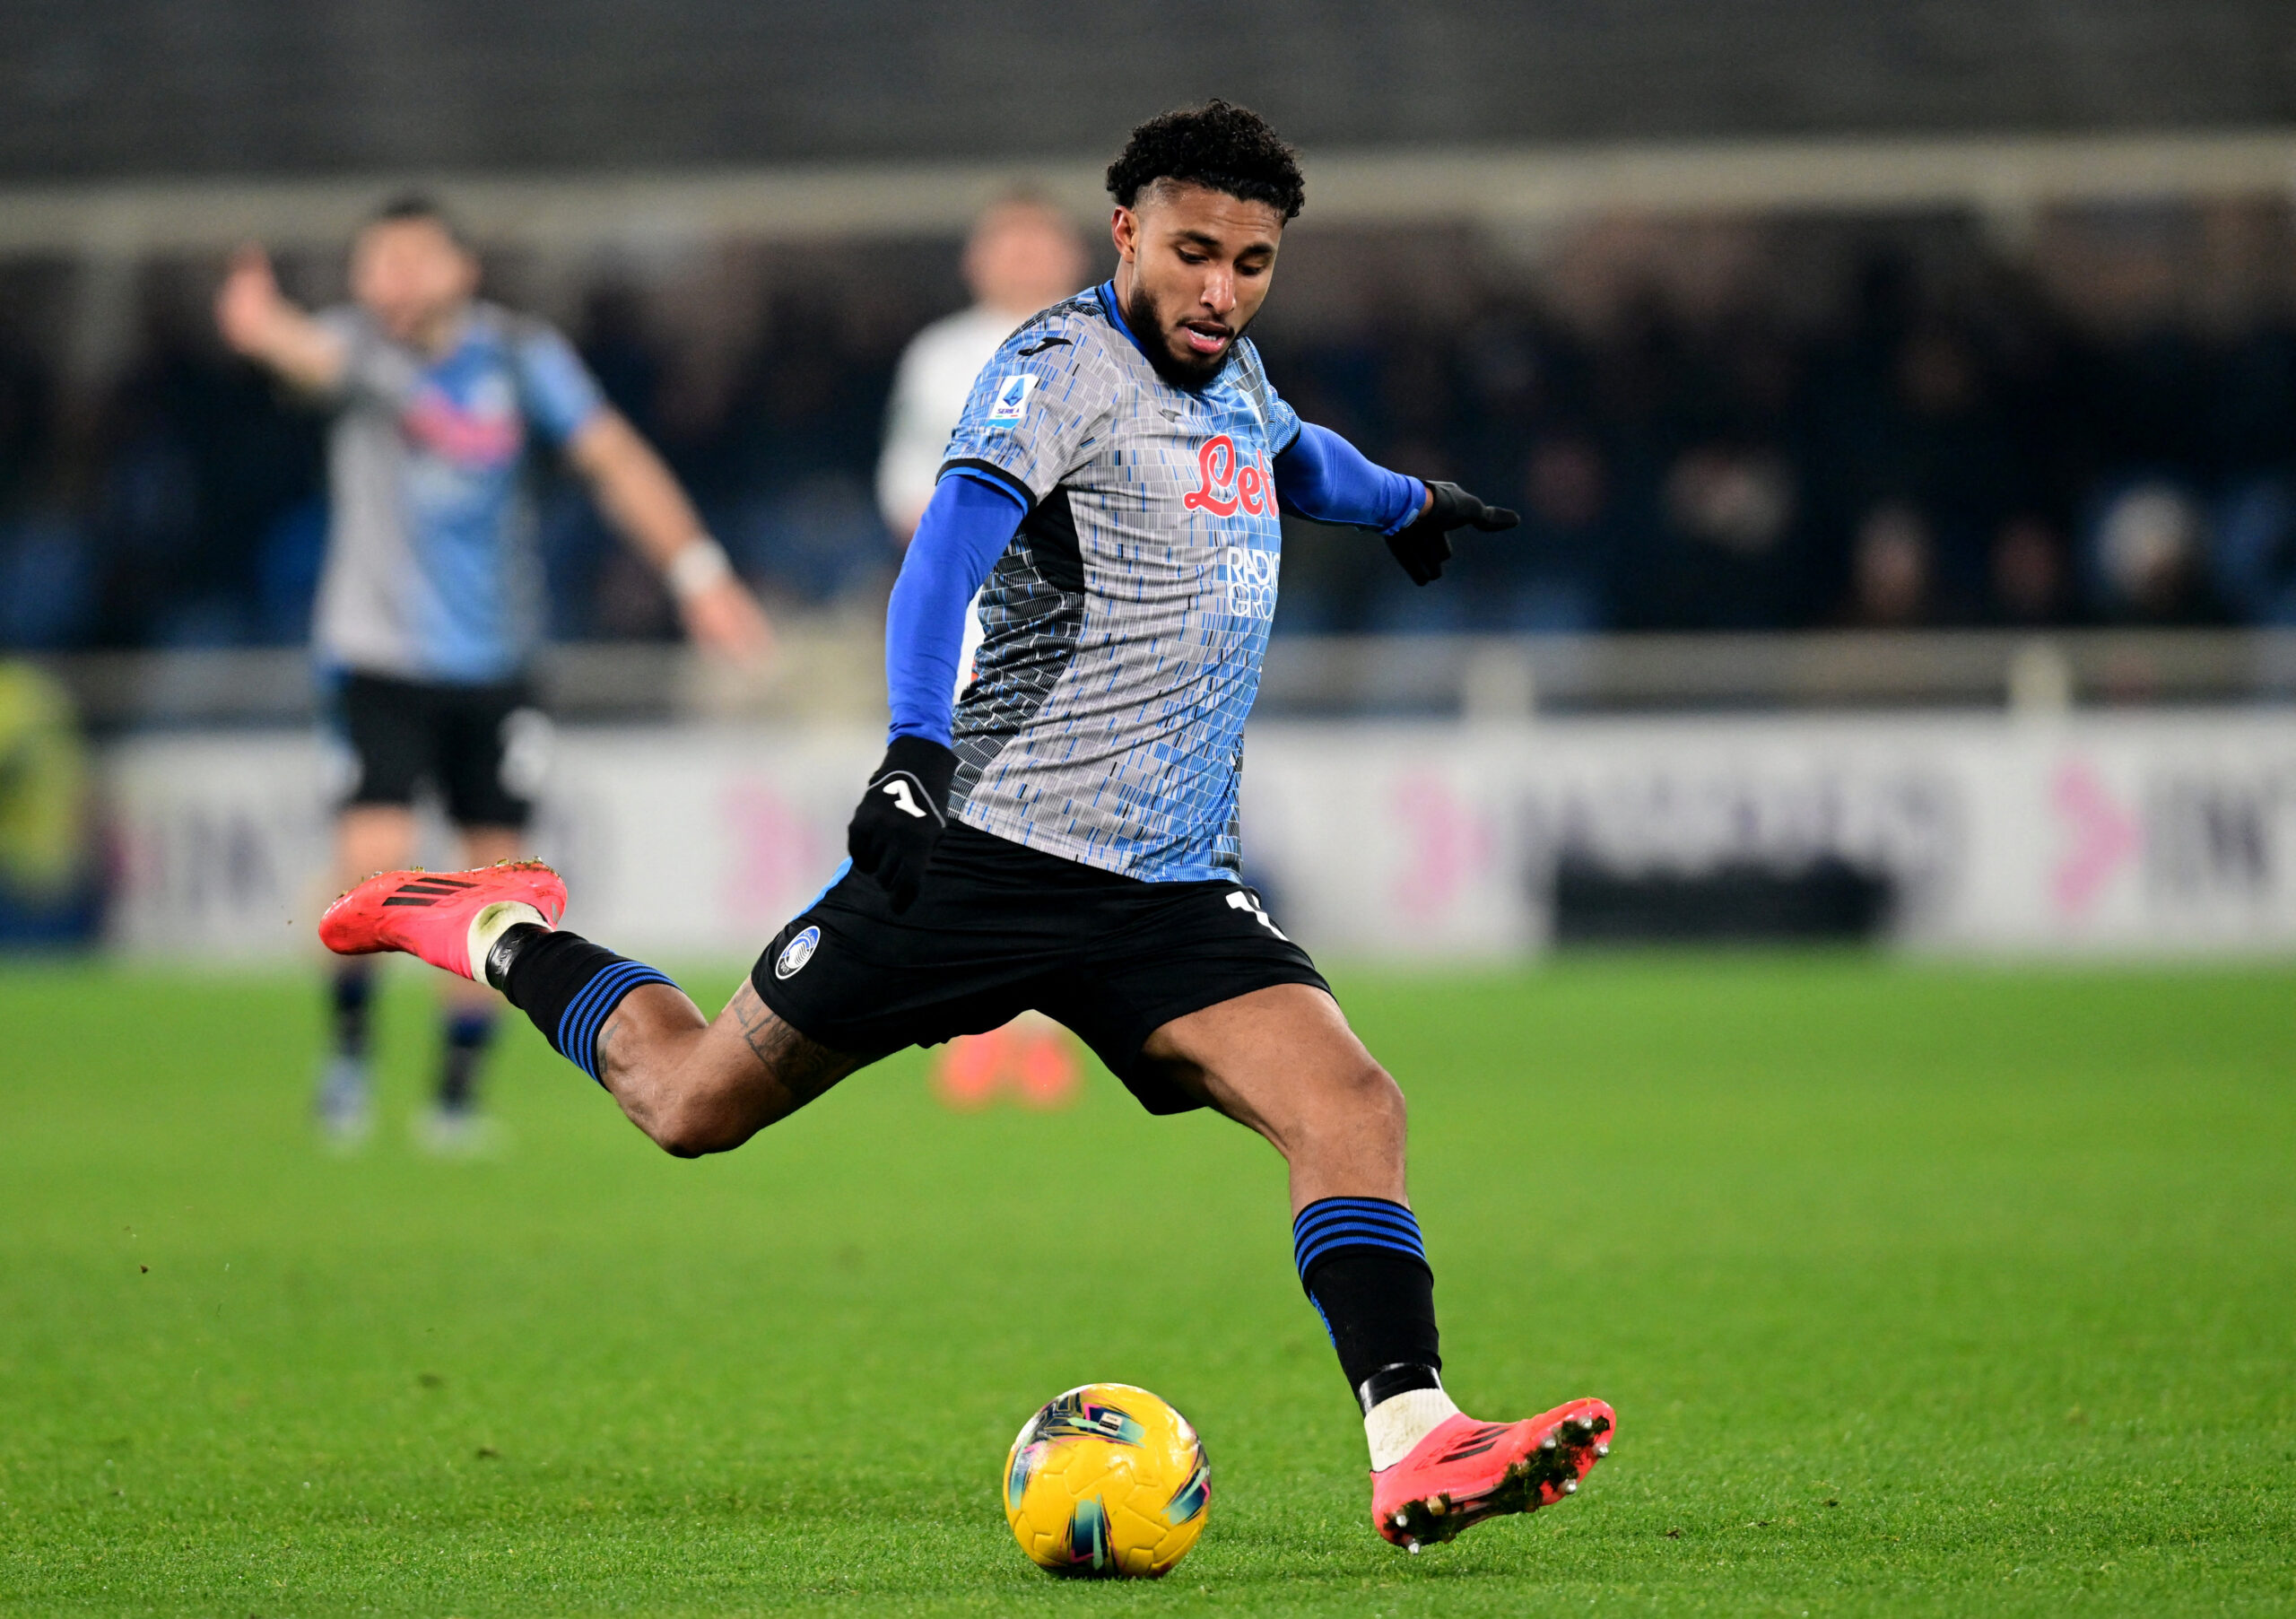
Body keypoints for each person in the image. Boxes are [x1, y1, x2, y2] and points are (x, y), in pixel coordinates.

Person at [318, 106, 1611, 1547]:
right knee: (686, 1103)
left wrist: (1405, 501)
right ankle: (492, 924)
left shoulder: (1231, 370)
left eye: (1252, 264)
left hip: (1169, 887)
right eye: (1192, 254)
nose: (1220, 292)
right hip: (984, 851)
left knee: (1353, 1104)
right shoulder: (1055, 371)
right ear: (1123, 231)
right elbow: (942, 558)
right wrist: (914, 755)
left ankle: (1417, 1440)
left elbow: (1294, 455)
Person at [215, 196, 771, 1151]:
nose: (386, 281)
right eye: (372, 262)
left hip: (498, 665)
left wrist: (698, 572)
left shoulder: (519, 359)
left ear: (460, 269)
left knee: (492, 887)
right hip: (378, 658)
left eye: (407, 260)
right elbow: (304, 354)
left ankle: (455, 1094)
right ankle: (348, 1057)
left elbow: (614, 458)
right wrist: (261, 329)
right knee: (371, 860)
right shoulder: (359, 353)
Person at [876, 195, 1092, 1110]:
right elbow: (901, 485)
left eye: (1038, 240)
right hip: (974, 624)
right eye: (1006, 241)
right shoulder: (940, 356)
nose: (1022, 257)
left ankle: (1044, 1030)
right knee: (969, 823)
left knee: (1066, 823)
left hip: (1090, 623)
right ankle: (974, 1026)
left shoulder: (1111, 348)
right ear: (976, 258)